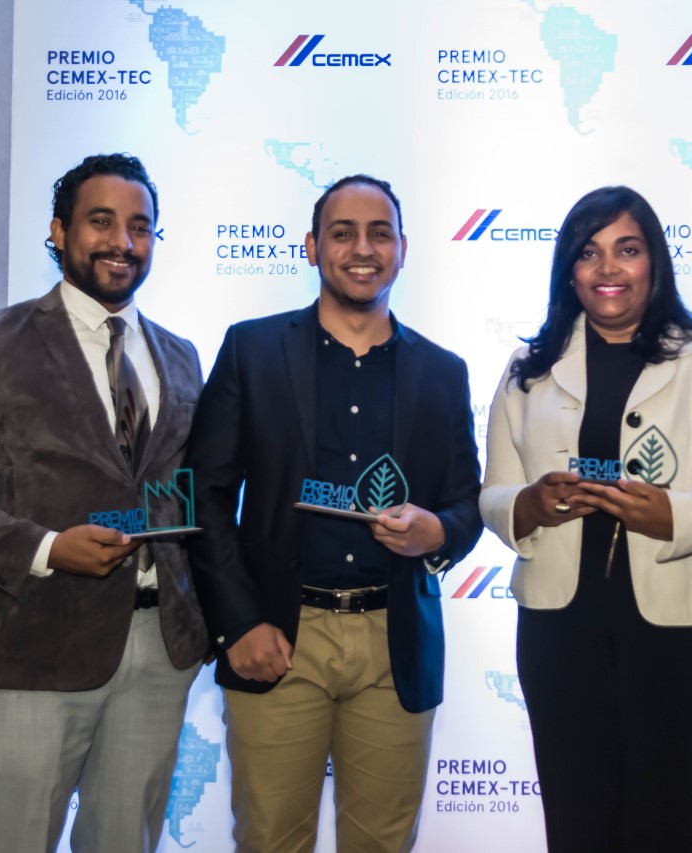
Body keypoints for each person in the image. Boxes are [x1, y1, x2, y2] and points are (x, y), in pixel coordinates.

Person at [0, 153, 208, 852]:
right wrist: (46, 548)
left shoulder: (181, 355)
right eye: (101, 222)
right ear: (59, 232)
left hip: (161, 650)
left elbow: (190, 497)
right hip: (39, 642)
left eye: (140, 226)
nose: (122, 242)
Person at [185, 174, 483, 852]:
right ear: (312, 246)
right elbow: (203, 494)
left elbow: (467, 502)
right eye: (343, 233)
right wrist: (238, 623)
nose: (362, 249)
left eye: (380, 233)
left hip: (394, 641)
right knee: (271, 840)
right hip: (277, 635)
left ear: (402, 249)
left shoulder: (443, 371)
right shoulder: (252, 350)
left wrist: (439, 532)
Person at [480, 186, 692, 852]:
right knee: (577, 820)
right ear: (568, 270)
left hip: (685, 631)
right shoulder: (529, 368)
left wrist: (676, 514)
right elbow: (495, 491)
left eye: (627, 249)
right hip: (561, 629)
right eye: (588, 253)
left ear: (655, 262)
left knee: (677, 821)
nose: (608, 268)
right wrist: (527, 504)